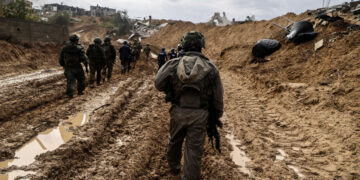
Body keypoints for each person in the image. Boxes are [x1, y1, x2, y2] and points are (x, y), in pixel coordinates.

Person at [154, 31, 224, 179]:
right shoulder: (211, 68)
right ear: (201, 46)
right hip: (200, 114)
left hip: (178, 111)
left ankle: (174, 167)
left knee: (174, 141)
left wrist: (170, 89)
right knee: (193, 151)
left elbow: (158, 83)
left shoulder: (173, 64)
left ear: (184, 45)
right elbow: (218, 96)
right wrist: (217, 114)